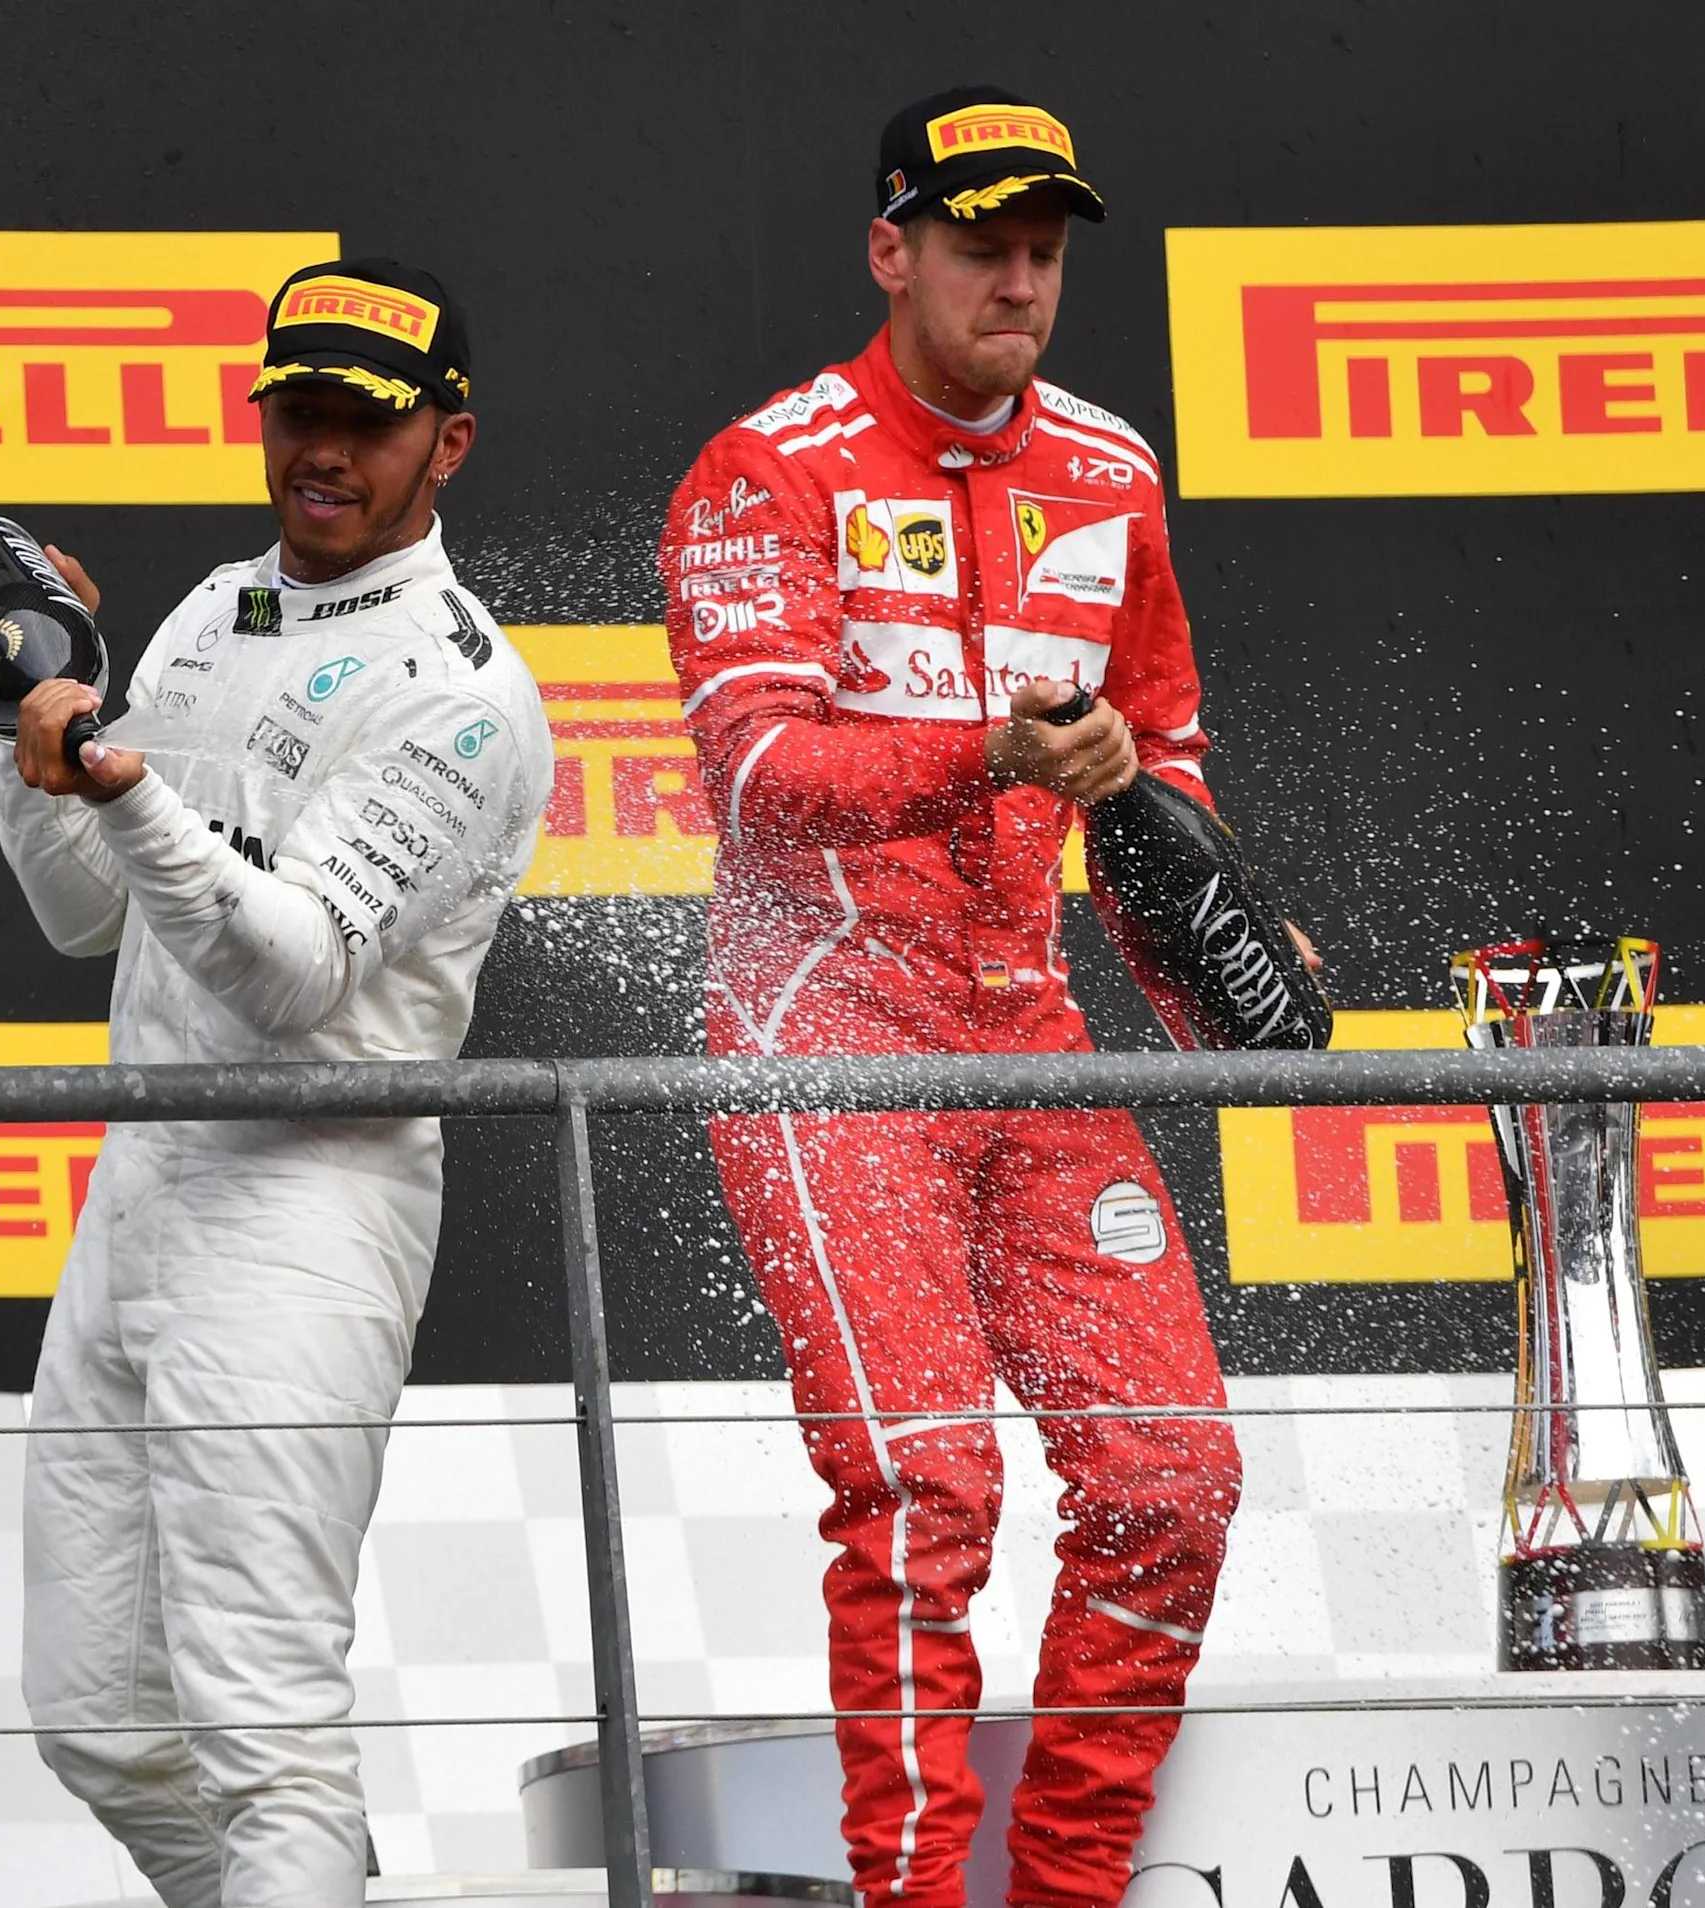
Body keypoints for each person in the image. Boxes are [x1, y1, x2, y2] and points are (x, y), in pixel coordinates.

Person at [660, 88, 1273, 1908]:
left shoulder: (1113, 468)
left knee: (1172, 1486)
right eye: (979, 245)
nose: (1018, 281)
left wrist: (1210, 933)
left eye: (1043, 251)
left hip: (1033, 1034)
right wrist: (987, 755)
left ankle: (1063, 1896)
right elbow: (758, 775)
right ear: (891, 250)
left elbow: (1160, 750)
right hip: (825, 1043)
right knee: (930, 1499)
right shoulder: (767, 465)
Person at [0, 258, 550, 1906]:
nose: (322, 449)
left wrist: (121, 783)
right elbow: (81, 909)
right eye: (296, 408)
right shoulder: (215, 605)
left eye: (366, 423)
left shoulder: (464, 690)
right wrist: (23, 721)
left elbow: (294, 968)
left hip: (311, 1202)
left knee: (261, 1723)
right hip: (143, 1187)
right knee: (94, 1713)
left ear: (448, 442)